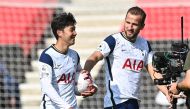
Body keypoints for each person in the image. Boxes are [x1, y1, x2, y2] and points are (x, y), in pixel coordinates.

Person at [83, 6, 171, 109]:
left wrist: (166, 93)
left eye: (134, 24)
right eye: (128, 22)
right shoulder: (113, 40)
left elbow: (154, 73)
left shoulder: (145, 44)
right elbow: (95, 56)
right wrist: (85, 74)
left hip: (133, 101)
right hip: (115, 102)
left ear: (142, 26)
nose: (130, 27)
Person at [38, 12, 97, 109]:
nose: (75, 33)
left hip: (72, 106)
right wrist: (65, 106)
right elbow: (46, 87)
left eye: (75, 29)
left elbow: (81, 76)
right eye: (72, 30)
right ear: (59, 32)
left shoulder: (74, 55)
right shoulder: (47, 56)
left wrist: (91, 87)